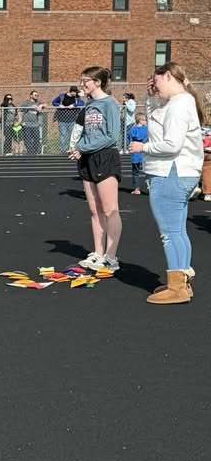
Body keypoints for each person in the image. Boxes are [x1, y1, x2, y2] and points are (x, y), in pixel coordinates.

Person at [129, 62, 204, 304]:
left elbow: (171, 143)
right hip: (179, 172)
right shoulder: (178, 102)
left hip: (171, 172)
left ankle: (177, 289)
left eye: (156, 80)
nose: (154, 85)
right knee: (178, 231)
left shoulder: (180, 104)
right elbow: (158, 127)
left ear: (168, 76)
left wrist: (143, 147)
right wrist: (150, 99)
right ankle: (181, 281)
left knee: (169, 233)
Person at [69, 66, 122, 273]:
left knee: (110, 209)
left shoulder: (109, 104)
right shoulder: (88, 105)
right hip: (87, 158)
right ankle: (98, 253)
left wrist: (81, 147)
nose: (82, 85)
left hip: (105, 158)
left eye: (86, 81)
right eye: (82, 81)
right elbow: (84, 132)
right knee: (94, 209)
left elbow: (111, 136)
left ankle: (111, 256)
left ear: (97, 82)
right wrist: (77, 149)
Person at [51, 86, 82, 153]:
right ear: (72, 91)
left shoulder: (77, 98)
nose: (76, 93)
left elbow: (82, 103)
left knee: (73, 136)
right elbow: (53, 102)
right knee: (63, 136)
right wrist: (59, 105)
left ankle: (72, 150)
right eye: (75, 92)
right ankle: (62, 151)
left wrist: (74, 105)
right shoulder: (62, 96)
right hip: (62, 120)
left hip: (73, 120)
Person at [128, 113, 148, 194]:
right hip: (144, 152)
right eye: (144, 120)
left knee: (135, 172)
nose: (146, 121)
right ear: (140, 120)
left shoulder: (132, 130)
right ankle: (151, 188)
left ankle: (137, 189)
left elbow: (129, 139)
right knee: (148, 171)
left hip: (135, 153)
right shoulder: (146, 129)